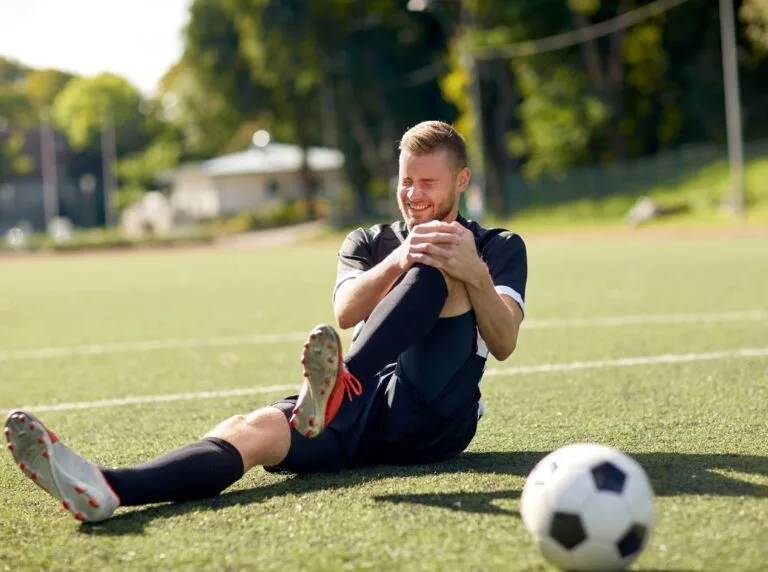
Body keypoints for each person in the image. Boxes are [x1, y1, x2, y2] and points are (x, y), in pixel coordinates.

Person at [4, 120, 527, 523]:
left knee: (445, 264)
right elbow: (346, 311)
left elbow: (503, 343)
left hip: (433, 412)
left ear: (461, 180)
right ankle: (107, 487)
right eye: (405, 182)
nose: (414, 195)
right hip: (360, 406)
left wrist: (473, 274)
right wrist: (399, 258)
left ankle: (339, 387)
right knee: (251, 430)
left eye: (427, 183)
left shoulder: (500, 246)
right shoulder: (367, 242)